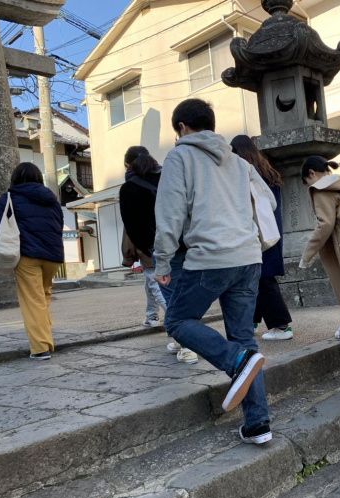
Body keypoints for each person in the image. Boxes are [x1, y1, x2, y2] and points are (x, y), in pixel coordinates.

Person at [154, 98, 275, 444]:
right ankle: (258, 424)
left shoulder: (180, 156)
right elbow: (268, 202)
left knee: (178, 321)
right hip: (248, 258)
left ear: (181, 127)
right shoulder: (239, 161)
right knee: (244, 338)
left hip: (211, 257)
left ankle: (234, 360)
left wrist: (162, 260)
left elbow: (170, 213)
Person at [119, 147, 198, 364]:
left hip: (161, 248)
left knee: (172, 297)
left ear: (127, 165)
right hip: (187, 243)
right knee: (186, 293)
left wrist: (150, 249)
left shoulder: (129, 188)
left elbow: (132, 227)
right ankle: (180, 338)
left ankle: (188, 346)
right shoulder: (169, 177)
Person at [0, 162, 64, 360]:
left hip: (27, 255)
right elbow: (59, 225)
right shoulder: (51, 199)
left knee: (33, 301)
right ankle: (45, 337)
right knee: (43, 297)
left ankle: (40, 348)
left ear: (15, 179)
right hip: (53, 256)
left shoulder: (9, 198)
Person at [230, 135, 293, 340]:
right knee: (256, 277)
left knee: (264, 278)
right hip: (271, 230)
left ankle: (282, 326)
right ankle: (252, 321)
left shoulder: (246, 174)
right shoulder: (267, 171)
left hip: (257, 233)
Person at [300, 156, 340, 340]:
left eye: (306, 182)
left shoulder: (320, 189)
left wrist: (307, 253)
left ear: (312, 173)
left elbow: (325, 224)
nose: (308, 186)